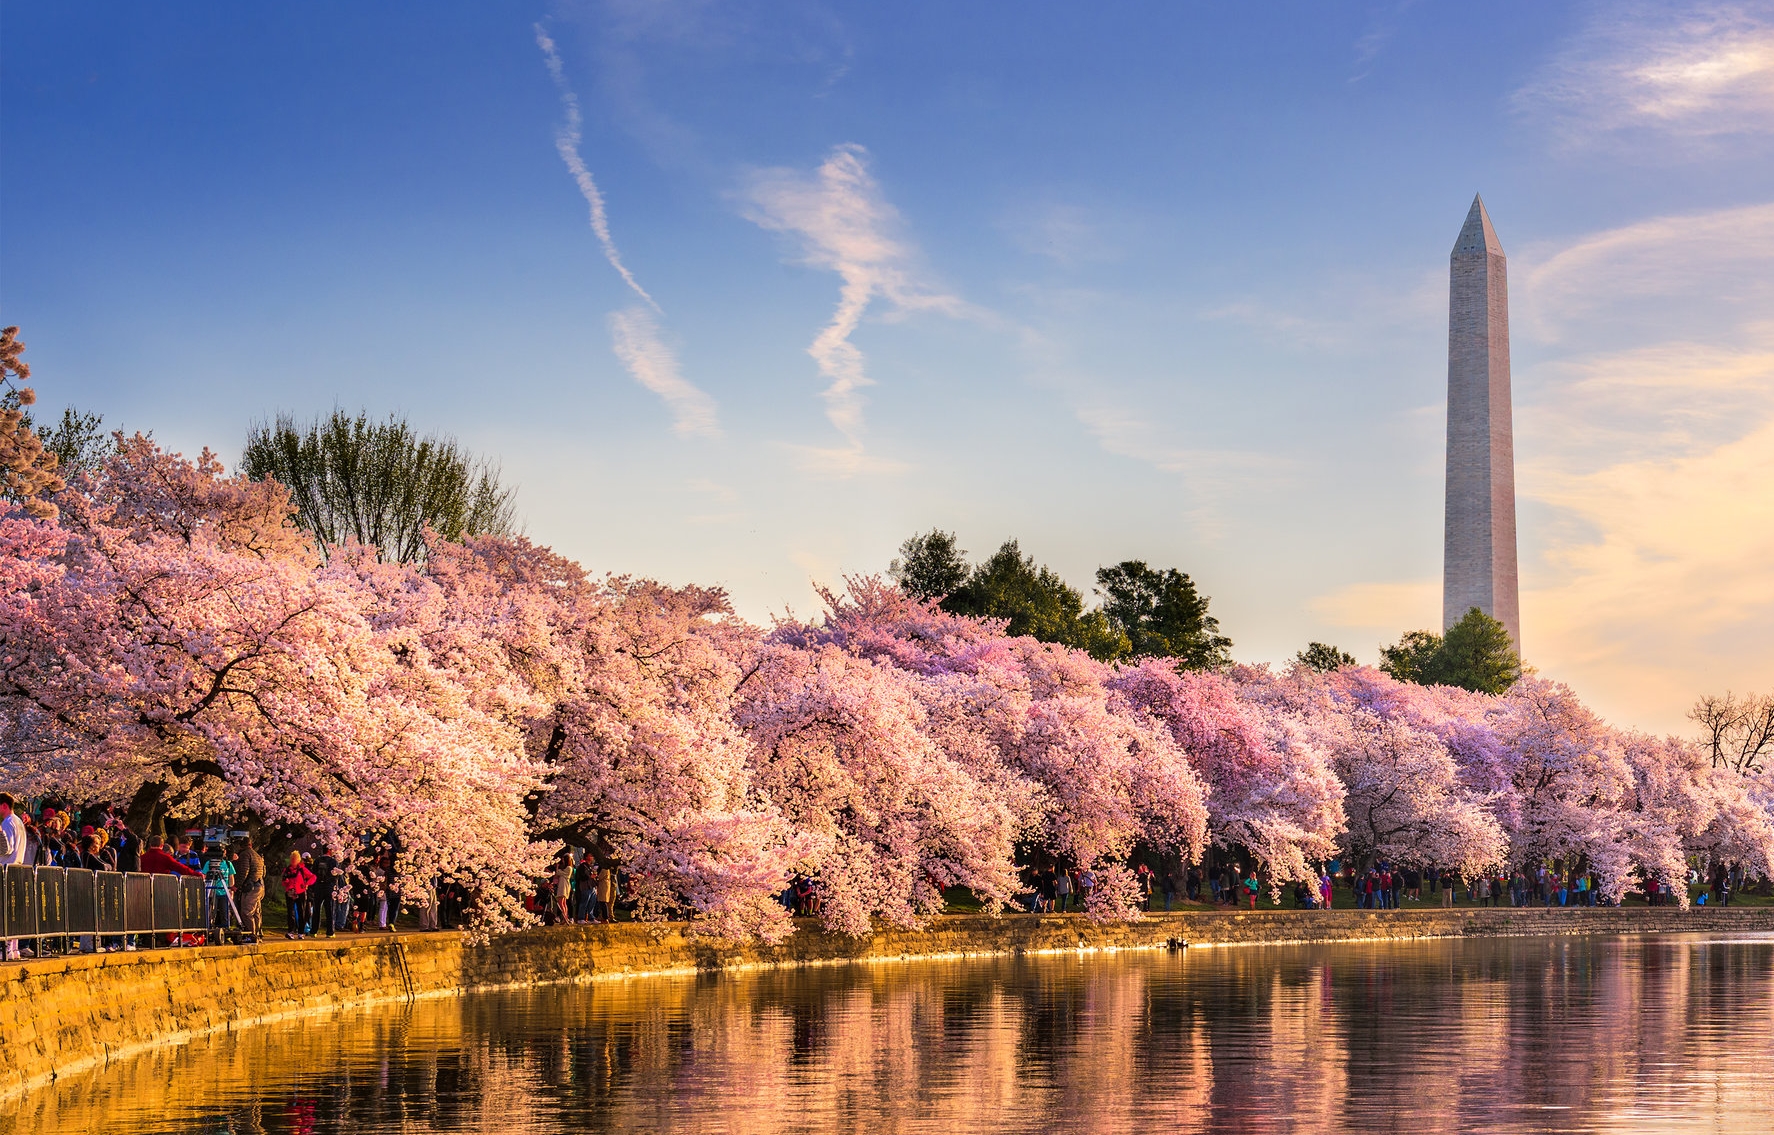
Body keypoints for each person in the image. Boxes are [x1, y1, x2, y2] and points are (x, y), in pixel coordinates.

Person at [1, 794, 28, 959]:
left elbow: (6, 848)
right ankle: (13, 949)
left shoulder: (7, 823)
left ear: (3, 805)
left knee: (4, 910)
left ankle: (6, 949)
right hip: (17, 868)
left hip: (6, 869)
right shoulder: (18, 822)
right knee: (12, 911)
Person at [282, 851, 317, 938]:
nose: (293, 861)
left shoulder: (302, 869)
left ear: (298, 860)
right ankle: (291, 931)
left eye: (295, 859)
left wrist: (306, 884)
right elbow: (283, 882)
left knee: (302, 912)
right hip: (290, 893)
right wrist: (286, 882)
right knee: (290, 912)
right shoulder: (287, 870)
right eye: (292, 859)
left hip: (300, 892)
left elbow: (313, 877)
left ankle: (301, 932)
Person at [235, 840, 265, 942]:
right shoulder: (257, 855)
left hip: (250, 887)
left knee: (246, 912)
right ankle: (257, 934)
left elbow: (244, 871)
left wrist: (237, 885)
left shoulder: (245, 855)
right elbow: (263, 872)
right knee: (256, 912)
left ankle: (251, 936)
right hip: (259, 886)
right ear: (251, 844)